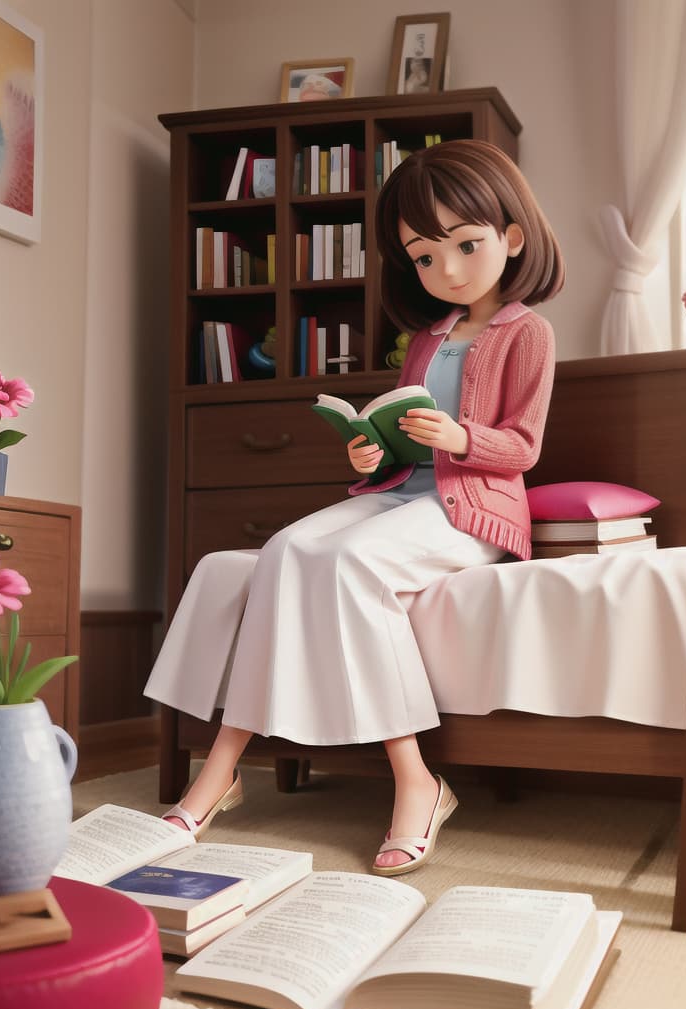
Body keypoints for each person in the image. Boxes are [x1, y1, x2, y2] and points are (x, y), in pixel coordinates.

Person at [144, 139, 564, 875]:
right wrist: (371, 451)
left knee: (346, 563)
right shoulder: (426, 338)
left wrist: (462, 436)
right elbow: (403, 437)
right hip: (402, 492)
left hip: (474, 510)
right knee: (282, 550)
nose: (450, 270)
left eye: (467, 245)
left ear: (513, 237)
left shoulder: (527, 331)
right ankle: (222, 766)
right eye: (426, 257)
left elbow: (523, 448)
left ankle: (417, 780)